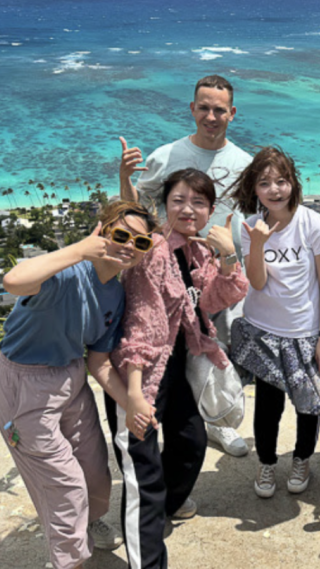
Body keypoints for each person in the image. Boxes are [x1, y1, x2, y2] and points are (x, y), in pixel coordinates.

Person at [0, 200, 157, 569]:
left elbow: (98, 363)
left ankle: (89, 522)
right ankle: (67, 561)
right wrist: (77, 249)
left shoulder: (116, 294)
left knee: (95, 472)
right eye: (121, 234)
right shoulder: (67, 272)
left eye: (140, 243)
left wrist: (134, 403)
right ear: (102, 231)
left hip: (71, 376)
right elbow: (14, 280)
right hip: (24, 382)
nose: (129, 245)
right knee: (64, 487)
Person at [109, 169, 248, 569]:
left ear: (210, 211)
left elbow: (212, 300)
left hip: (178, 364)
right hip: (140, 373)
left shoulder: (198, 250)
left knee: (190, 442)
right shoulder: (152, 251)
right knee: (143, 471)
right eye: (179, 201)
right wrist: (134, 392)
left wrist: (228, 256)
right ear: (164, 205)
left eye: (199, 202)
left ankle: (163, 510)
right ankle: (147, 550)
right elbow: (141, 322)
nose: (189, 210)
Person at [119, 74, 253, 457]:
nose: (212, 116)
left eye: (220, 110)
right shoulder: (166, 156)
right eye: (204, 108)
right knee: (165, 348)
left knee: (217, 348)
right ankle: (174, 423)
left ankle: (216, 422)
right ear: (192, 109)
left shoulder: (245, 163)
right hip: (167, 271)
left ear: (232, 113)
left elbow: (259, 215)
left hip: (221, 273)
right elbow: (136, 211)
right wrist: (124, 177)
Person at [226, 147, 320, 498]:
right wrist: (258, 244)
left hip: (306, 333)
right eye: (265, 183)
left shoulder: (314, 223)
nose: (275, 190)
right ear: (255, 188)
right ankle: (266, 464)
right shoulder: (252, 227)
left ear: (293, 182)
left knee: (308, 404)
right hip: (265, 333)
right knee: (268, 406)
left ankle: (301, 459)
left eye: (282, 181)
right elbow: (258, 283)